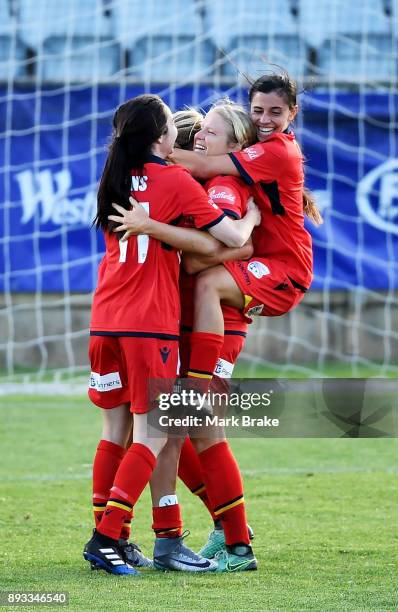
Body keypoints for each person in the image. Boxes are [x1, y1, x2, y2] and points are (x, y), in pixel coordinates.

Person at [83, 94, 260, 576]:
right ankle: (110, 537)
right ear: (164, 138)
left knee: (117, 430)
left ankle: (117, 535)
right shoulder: (180, 182)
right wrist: (250, 225)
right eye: (183, 130)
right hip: (150, 322)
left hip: (104, 316)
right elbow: (227, 242)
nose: (194, 136)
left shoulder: (112, 177)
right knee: (160, 432)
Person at [169, 73, 322, 407]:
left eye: (275, 112)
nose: (264, 120)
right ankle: (198, 390)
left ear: (292, 113)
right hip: (259, 267)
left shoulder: (275, 153)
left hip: (285, 269)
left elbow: (203, 164)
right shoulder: (260, 152)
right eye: (258, 110)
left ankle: (197, 389)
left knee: (208, 281)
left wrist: (149, 155)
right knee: (193, 437)